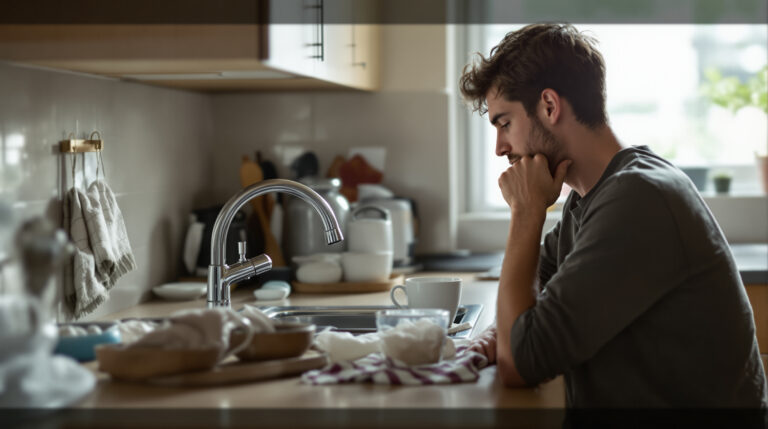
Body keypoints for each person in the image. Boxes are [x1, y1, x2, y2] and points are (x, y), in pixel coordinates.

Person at [459, 23, 767, 408]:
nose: (500, 148)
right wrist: (498, 335)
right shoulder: (592, 195)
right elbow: (534, 292)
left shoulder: (640, 199)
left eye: (504, 123)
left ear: (549, 106)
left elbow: (520, 363)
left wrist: (526, 211)